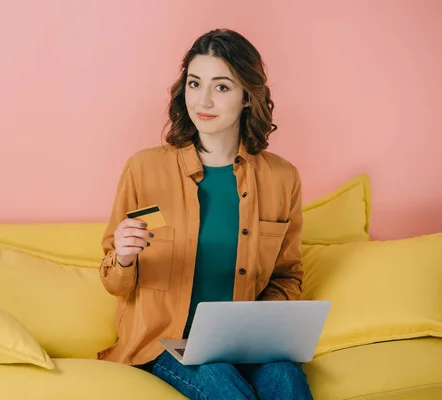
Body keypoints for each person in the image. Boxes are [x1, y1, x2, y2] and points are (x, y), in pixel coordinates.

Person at [97, 28, 313, 400]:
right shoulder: (144, 168)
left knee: (286, 380)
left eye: (222, 87)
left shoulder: (282, 177)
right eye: (195, 84)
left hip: (245, 344)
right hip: (164, 343)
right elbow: (114, 282)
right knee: (221, 383)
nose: (204, 100)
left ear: (248, 96)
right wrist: (124, 256)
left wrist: (258, 326)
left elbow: (287, 275)